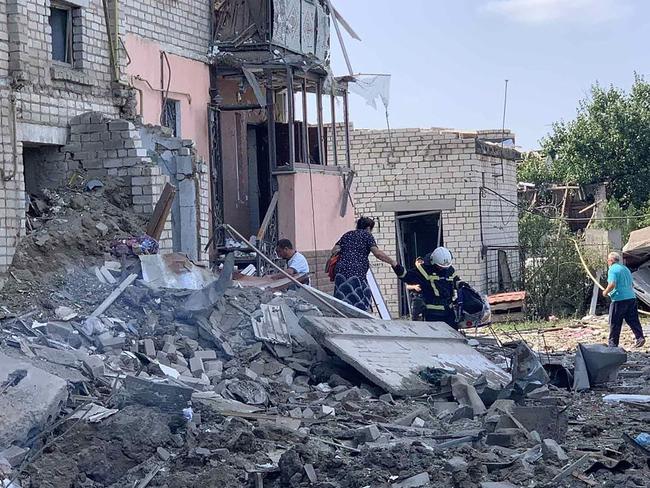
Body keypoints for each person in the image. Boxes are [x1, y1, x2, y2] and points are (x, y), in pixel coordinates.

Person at [330, 217, 397, 311]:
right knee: (361, 296)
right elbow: (377, 253)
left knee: (343, 296)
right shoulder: (367, 235)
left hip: (341, 270)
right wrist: (392, 262)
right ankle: (362, 316)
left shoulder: (347, 234)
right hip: (356, 271)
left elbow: (334, 250)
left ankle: (342, 314)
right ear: (369, 227)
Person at [392, 246, 460, 329]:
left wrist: (463, 285)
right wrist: (395, 265)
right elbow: (406, 276)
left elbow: (456, 281)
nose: (443, 269)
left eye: (445, 267)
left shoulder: (448, 269)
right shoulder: (424, 270)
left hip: (449, 312)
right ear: (434, 262)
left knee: (453, 336)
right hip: (433, 314)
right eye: (440, 266)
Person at [602, 251, 645, 348]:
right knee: (633, 320)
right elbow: (632, 284)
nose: (608, 262)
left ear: (611, 260)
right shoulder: (625, 269)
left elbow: (612, 284)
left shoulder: (612, 269)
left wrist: (605, 292)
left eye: (608, 260)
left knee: (615, 322)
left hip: (619, 299)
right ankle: (640, 337)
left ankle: (613, 344)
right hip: (631, 297)